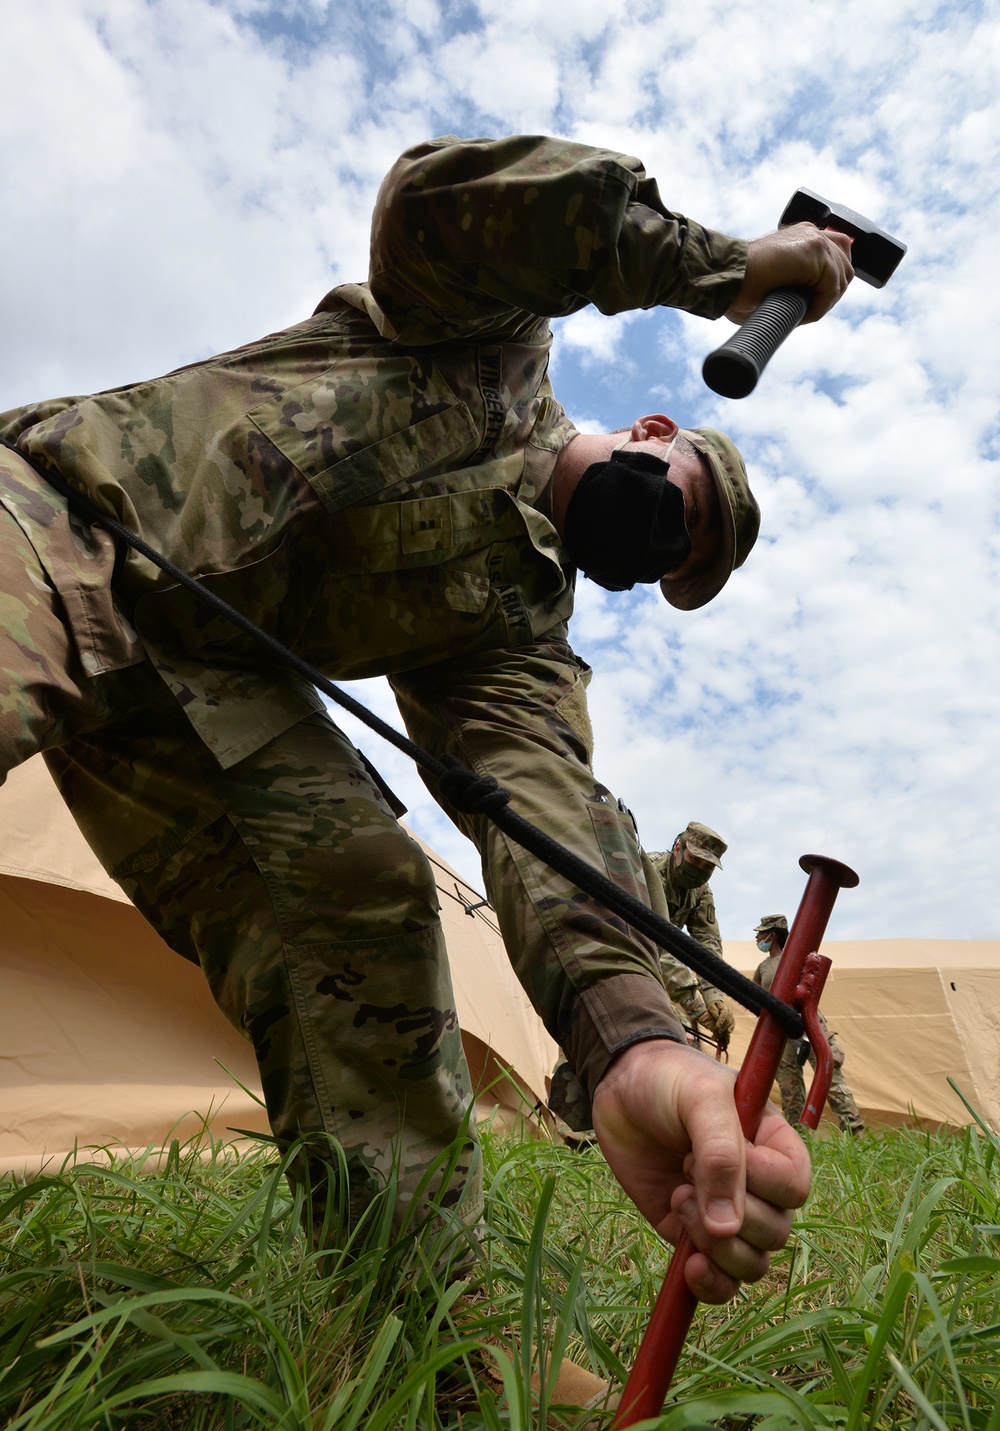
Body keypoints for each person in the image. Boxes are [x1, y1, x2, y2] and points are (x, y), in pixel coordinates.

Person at [0, 133, 852, 1303]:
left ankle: (426, 1345)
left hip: (201, 693)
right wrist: (725, 267)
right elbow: (445, 204)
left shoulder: (512, 638)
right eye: (687, 513)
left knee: (362, 892)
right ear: (656, 434)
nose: (665, 546)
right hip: (61, 520)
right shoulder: (490, 340)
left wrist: (634, 1041)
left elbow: (547, 812)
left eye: (679, 564)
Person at [753, 915, 865, 1136]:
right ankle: (797, 1139)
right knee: (789, 1088)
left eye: (760, 933)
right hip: (782, 1032)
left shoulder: (799, 959)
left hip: (808, 1023)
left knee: (829, 1076)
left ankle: (856, 1134)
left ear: (772, 935)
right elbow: (758, 997)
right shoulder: (763, 967)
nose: (756, 938)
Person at [645, 823, 736, 1053]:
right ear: (677, 848)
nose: (700, 871)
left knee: (685, 1039)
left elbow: (708, 947)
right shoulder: (647, 872)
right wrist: (698, 1008)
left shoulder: (700, 892)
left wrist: (714, 997)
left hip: (652, 971)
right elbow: (655, 941)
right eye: (695, 860)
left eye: (708, 867)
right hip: (613, 957)